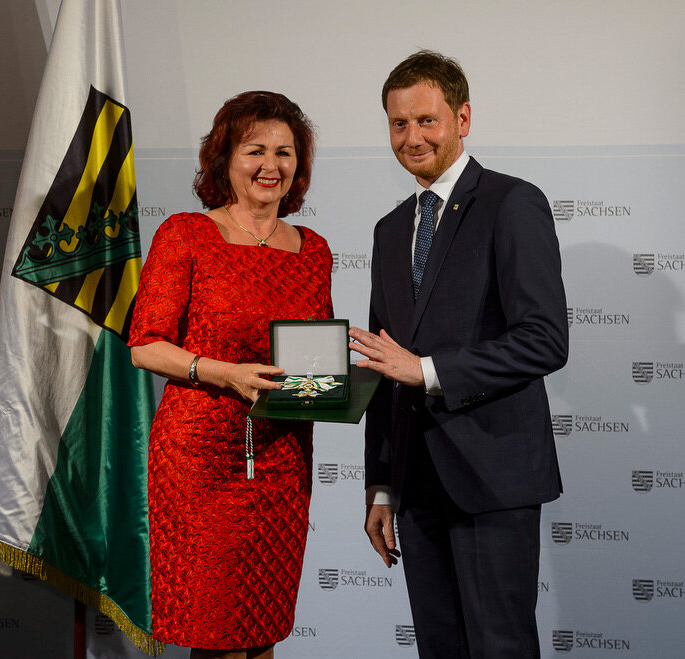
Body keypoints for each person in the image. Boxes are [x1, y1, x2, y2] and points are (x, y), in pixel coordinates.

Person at [349, 51, 568, 658]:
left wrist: (426, 372)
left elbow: (545, 339)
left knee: (500, 648)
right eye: (398, 124)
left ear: (462, 117)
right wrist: (382, 485)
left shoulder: (512, 202)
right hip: (416, 486)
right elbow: (380, 361)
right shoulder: (391, 229)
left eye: (426, 120)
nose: (411, 137)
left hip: (493, 476)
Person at [128, 91, 332, 659]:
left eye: (285, 152)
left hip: (283, 458)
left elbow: (310, 359)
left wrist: (331, 389)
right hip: (199, 461)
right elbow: (145, 345)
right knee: (216, 635)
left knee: (263, 626)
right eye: (255, 150)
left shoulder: (313, 250)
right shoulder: (186, 235)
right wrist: (225, 374)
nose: (272, 165)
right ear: (225, 160)